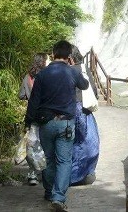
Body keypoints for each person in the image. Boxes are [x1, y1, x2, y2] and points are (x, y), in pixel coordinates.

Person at [25, 40, 89, 212]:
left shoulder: (42, 75)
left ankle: (48, 192)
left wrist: (29, 121)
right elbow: (85, 85)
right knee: (64, 160)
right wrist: (75, 66)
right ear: (69, 56)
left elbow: (34, 101)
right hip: (66, 124)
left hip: (46, 123)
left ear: (53, 54)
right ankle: (58, 197)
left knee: (49, 158)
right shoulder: (72, 72)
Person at [69, 45, 100, 185]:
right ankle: (85, 173)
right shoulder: (83, 69)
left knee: (72, 143)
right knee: (89, 141)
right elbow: (93, 89)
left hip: (67, 110)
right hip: (84, 110)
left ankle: (71, 176)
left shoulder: (64, 71)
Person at [18, 53, 49, 186]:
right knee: (47, 144)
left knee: (33, 145)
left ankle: (32, 175)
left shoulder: (27, 77)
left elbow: (21, 95)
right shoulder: (48, 76)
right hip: (47, 115)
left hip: (33, 115)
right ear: (43, 62)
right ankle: (46, 173)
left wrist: (29, 96)